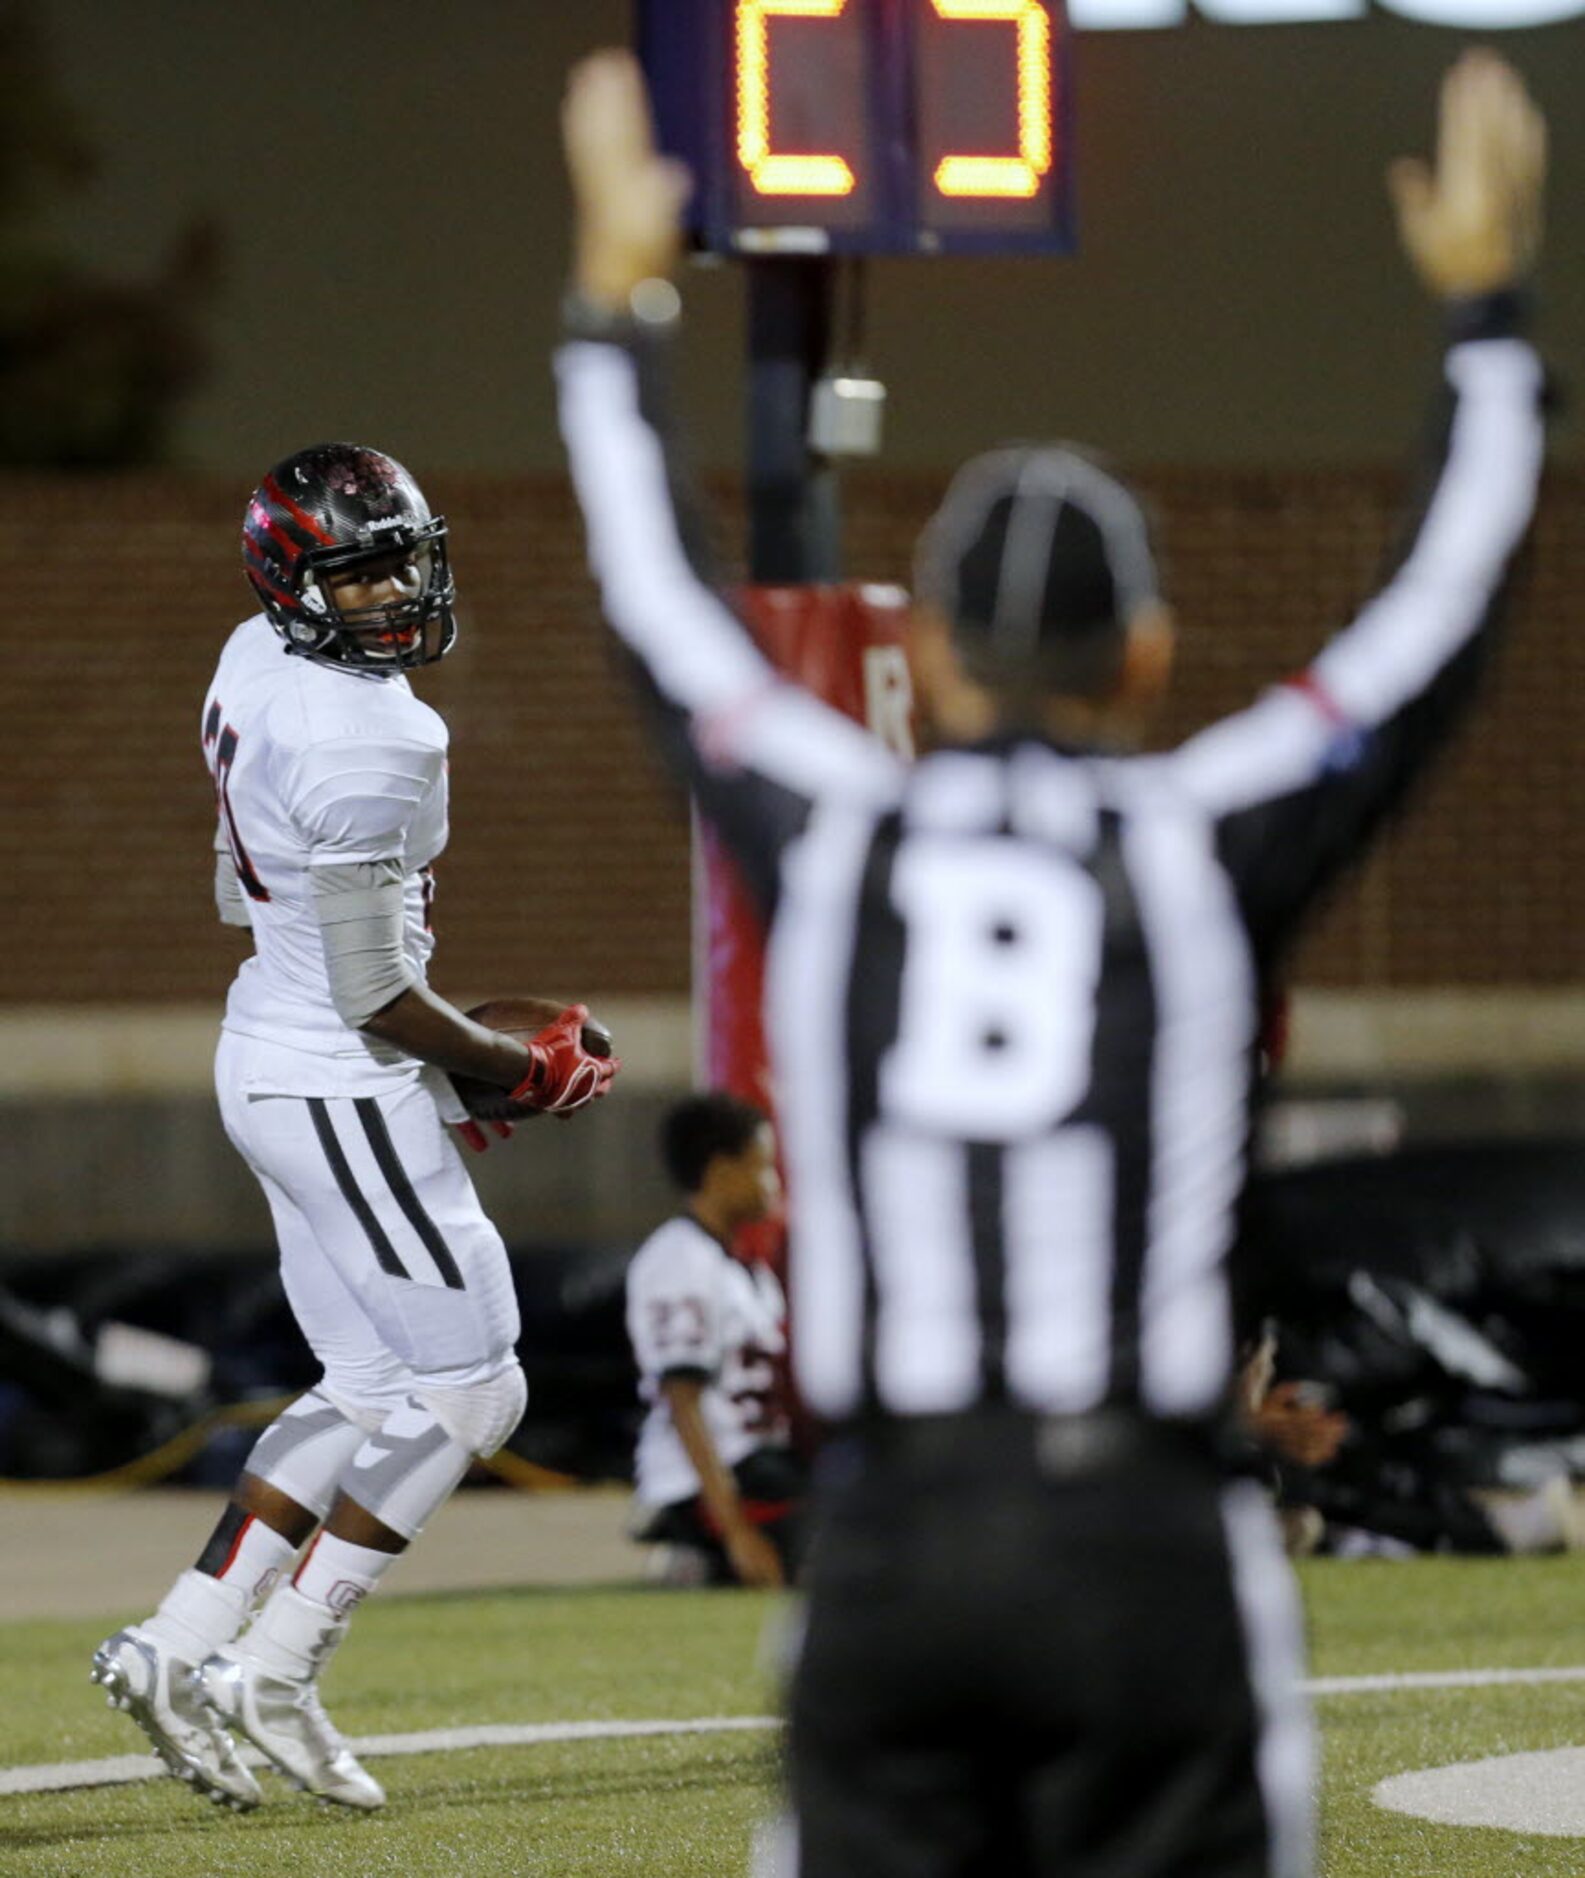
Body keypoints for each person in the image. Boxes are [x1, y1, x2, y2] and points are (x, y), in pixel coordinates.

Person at [556, 45, 1547, 1877]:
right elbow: (1439, 617)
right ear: (1150, 654)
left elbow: (654, 595)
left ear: (925, 653)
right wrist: (1489, 312)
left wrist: (612, 312)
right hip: (1145, 1541)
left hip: (897, 1544)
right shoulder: (1191, 841)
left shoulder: (837, 829)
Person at [90, 442, 618, 1812]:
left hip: (265, 1045)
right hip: (335, 1072)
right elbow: (380, 989)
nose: (392, 594)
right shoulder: (380, 734)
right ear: (292, 576)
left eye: (401, 558)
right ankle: (277, 1661)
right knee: (479, 1382)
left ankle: (177, 1641)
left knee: (366, 1386)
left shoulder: (252, 658)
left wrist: (437, 1055)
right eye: (358, 570)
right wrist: (514, 1067)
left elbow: (236, 884)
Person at [626, 1092, 806, 1588]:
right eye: (761, 1167)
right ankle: (695, 1552)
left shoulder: (740, 1265)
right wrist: (736, 1532)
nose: (772, 1182)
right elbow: (683, 1399)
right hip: (708, 1479)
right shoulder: (680, 1259)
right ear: (723, 1171)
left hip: (761, 1462)